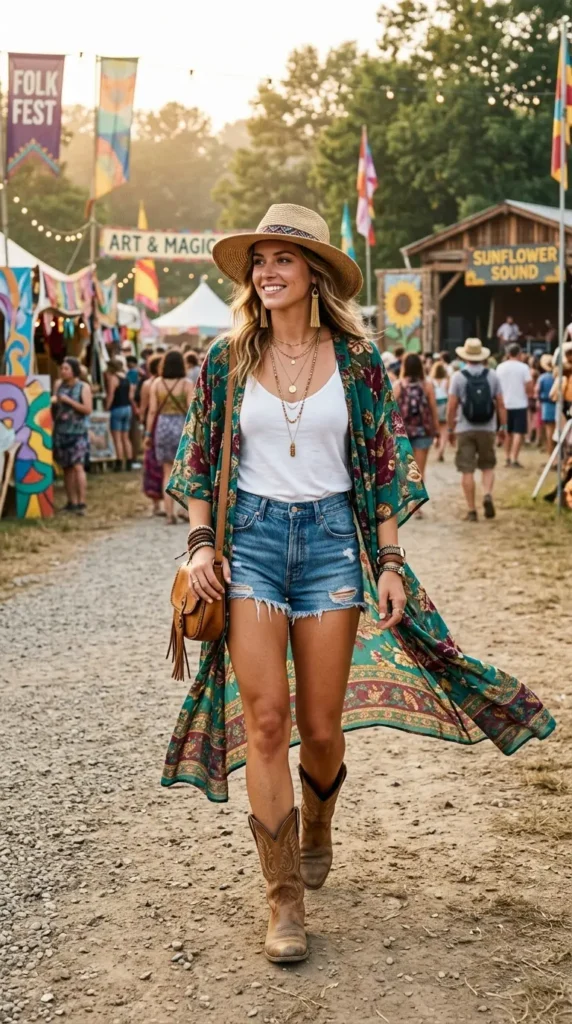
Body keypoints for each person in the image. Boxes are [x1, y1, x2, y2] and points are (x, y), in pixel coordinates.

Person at [159, 203, 556, 966]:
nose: (266, 272)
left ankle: (318, 821)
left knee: (323, 722)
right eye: (259, 261)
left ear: (314, 274)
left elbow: (379, 468)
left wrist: (392, 561)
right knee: (267, 720)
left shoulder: (359, 362)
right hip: (255, 547)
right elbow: (203, 458)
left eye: (283, 259)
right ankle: (283, 899)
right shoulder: (226, 360)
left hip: (335, 544)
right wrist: (202, 543)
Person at [447, 338, 506, 521]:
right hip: (487, 428)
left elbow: (452, 405)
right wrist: (502, 426)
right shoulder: (492, 375)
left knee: (467, 470)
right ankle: (487, 494)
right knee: (487, 465)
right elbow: (501, 403)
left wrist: (450, 428)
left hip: (465, 427)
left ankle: (472, 510)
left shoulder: (458, 376)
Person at [146, 349, 194, 525]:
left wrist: (148, 433)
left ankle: (169, 514)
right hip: (182, 427)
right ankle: (184, 509)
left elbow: (152, 411)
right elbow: (191, 409)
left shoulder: (157, 384)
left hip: (162, 427)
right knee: (186, 471)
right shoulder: (186, 384)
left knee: (167, 471)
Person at [392, 352, 439, 505]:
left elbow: (390, 409)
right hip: (423, 432)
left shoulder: (398, 386)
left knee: (405, 470)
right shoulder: (427, 386)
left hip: (403, 433)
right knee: (419, 470)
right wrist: (436, 431)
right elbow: (433, 410)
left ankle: (407, 501)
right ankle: (417, 505)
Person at [52, 356, 93, 515]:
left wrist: (69, 401)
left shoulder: (83, 387)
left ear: (74, 370)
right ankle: (71, 501)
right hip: (62, 431)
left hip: (78, 431)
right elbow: (55, 402)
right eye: (62, 368)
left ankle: (82, 501)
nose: (63, 371)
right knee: (66, 468)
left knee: (78, 466)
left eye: (66, 368)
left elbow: (87, 409)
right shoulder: (58, 385)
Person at [496, 343, 533, 468]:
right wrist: (528, 393)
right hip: (519, 403)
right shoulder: (523, 368)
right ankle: (514, 458)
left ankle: (506, 457)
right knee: (518, 432)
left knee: (507, 431)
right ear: (519, 354)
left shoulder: (500, 367)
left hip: (504, 404)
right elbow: (529, 385)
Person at [139, 354, 164, 515]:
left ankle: (156, 504)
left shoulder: (149, 384)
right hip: (165, 422)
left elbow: (145, 408)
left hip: (153, 424)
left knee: (152, 462)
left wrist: (145, 429)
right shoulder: (167, 383)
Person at [105, 356, 135, 471]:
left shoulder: (113, 378)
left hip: (117, 408)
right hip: (127, 408)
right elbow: (130, 395)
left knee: (117, 438)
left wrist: (106, 407)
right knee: (126, 437)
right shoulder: (126, 378)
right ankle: (129, 462)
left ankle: (119, 462)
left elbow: (111, 395)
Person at [429, 360, 450, 462]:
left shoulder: (430, 381)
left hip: (434, 404)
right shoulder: (447, 380)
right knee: (444, 429)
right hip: (445, 404)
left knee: (436, 426)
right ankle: (441, 450)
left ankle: (436, 440)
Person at [537, 354, 556, 456]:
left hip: (547, 406)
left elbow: (537, 391)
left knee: (549, 431)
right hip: (557, 405)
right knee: (557, 430)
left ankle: (550, 453)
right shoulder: (557, 376)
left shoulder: (543, 378)